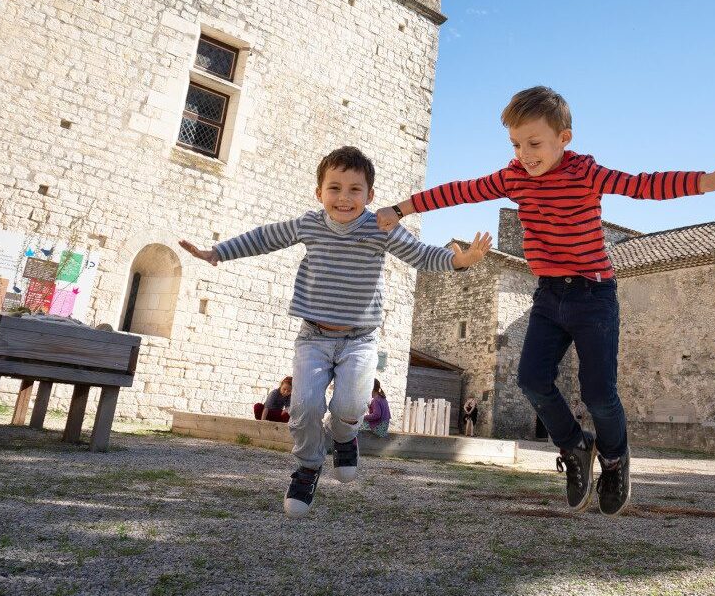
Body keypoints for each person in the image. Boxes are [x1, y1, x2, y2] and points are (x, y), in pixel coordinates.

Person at [377, 86, 715, 516]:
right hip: (549, 294)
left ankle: (614, 460)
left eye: (534, 144)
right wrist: (400, 209)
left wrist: (707, 181)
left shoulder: (585, 172)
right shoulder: (513, 177)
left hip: (594, 295)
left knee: (598, 393)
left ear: (563, 139)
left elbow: (642, 185)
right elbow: (460, 191)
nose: (524, 155)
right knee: (532, 380)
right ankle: (575, 446)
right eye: (516, 144)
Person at [180, 146, 491, 517]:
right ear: (319, 193)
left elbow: (420, 254)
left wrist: (460, 260)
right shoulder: (309, 224)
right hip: (313, 337)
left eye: (354, 190)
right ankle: (308, 467)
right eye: (335, 188)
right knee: (304, 407)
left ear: (370, 195)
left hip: (359, 339)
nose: (344, 198)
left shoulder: (381, 227)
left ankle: (344, 437)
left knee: (350, 406)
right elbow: (265, 237)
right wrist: (218, 252)